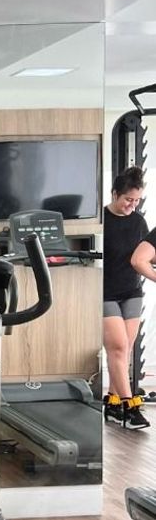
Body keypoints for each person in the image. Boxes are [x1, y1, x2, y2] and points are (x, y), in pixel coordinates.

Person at [103, 166, 152, 428]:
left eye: (136, 201)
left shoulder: (139, 222)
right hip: (105, 293)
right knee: (118, 348)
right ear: (115, 194)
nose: (132, 205)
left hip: (131, 291)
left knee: (124, 351)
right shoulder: (102, 220)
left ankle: (112, 404)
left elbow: (146, 255)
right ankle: (129, 407)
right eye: (127, 200)